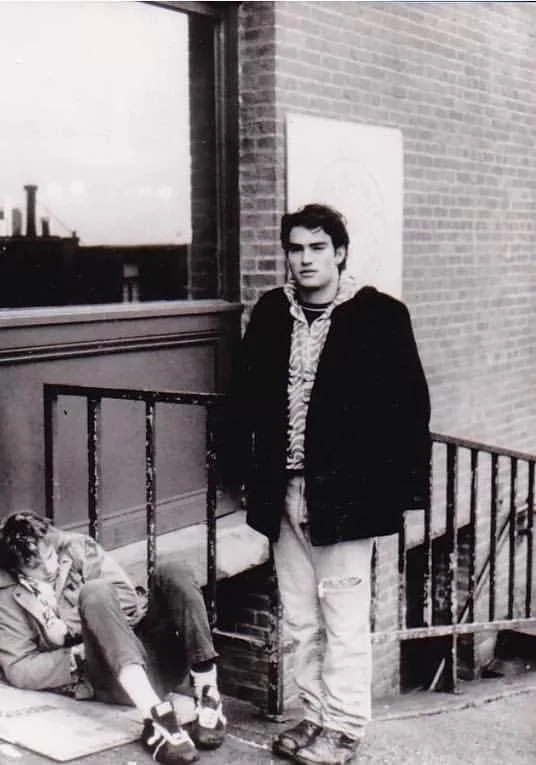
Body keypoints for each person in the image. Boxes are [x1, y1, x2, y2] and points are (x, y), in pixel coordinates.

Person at [225, 204, 430, 765]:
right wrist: (242, 475)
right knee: (299, 615)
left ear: (339, 252)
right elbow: (244, 398)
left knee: (342, 615)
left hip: (344, 497)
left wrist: (394, 494)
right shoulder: (271, 312)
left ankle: (344, 727)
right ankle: (313, 715)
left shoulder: (380, 315)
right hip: (280, 489)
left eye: (317, 248)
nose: (305, 259)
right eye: (295, 248)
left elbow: (409, 409)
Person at [0, 511, 226, 764]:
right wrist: (74, 656)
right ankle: (156, 718)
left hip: (154, 656)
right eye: (34, 566)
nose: (48, 568)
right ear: (16, 569)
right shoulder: (5, 600)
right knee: (96, 590)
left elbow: (127, 600)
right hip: (111, 677)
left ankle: (208, 693)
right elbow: (18, 667)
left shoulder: (78, 549)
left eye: (48, 556)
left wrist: (69, 630)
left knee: (173, 569)